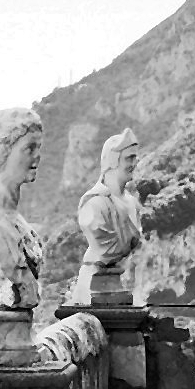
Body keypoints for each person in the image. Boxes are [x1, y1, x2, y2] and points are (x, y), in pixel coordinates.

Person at [0, 106, 45, 311]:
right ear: (2, 151)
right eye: (29, 148)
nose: (38, 156)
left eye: (39, 148)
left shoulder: (16, 219)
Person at [73, 127, 144, 304]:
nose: (135, 163)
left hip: (116, 284)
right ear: (113, 161)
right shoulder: (95, 204)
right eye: (129, 158)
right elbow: (106, 249)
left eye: (135, 157)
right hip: (94, 285)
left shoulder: (133, 204)